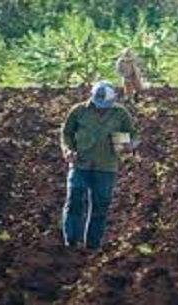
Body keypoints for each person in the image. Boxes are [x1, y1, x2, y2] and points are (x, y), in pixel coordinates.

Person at [60, 80, 136, 250]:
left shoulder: (121, 113)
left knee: (100, 206)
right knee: (74, 201)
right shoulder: (78, 111)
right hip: (80, 164)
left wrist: (130, 145)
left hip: (106, 166)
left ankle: (92, 246)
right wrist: (67, 150)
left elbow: (131, 134)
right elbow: (67, 133)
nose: (102, 107)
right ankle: (70, 243)